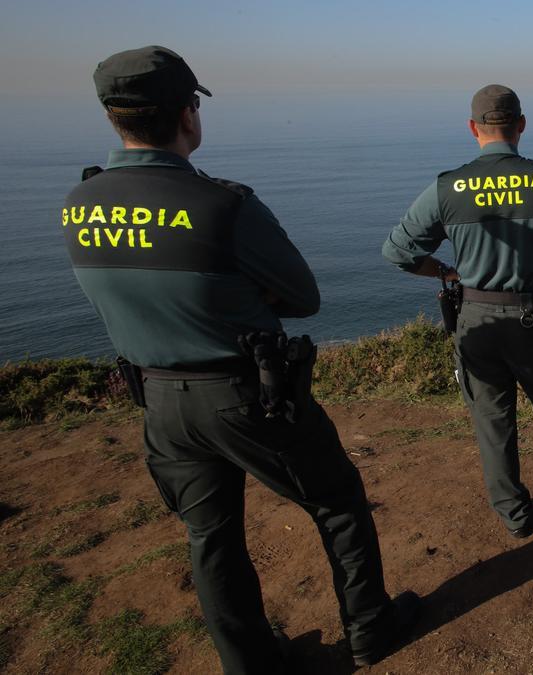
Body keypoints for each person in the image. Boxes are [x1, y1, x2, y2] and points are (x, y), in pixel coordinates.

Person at [62, 46, 417, 672]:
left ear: (114, 118)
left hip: (158, 403)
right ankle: (372, 628)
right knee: (336, 500)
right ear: (187, 114)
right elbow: (303, 298)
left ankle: (249, 662)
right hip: (245, 394)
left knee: (211, 535)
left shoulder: (80, 204)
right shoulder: (222, 206)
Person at [382, 84, 533, 539]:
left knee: (493, 422)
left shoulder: (448, 186)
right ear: (521, 125)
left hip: (475, 320)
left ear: (473, 128)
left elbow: (397, 251)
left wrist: (449, 274)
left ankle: (514, 515)